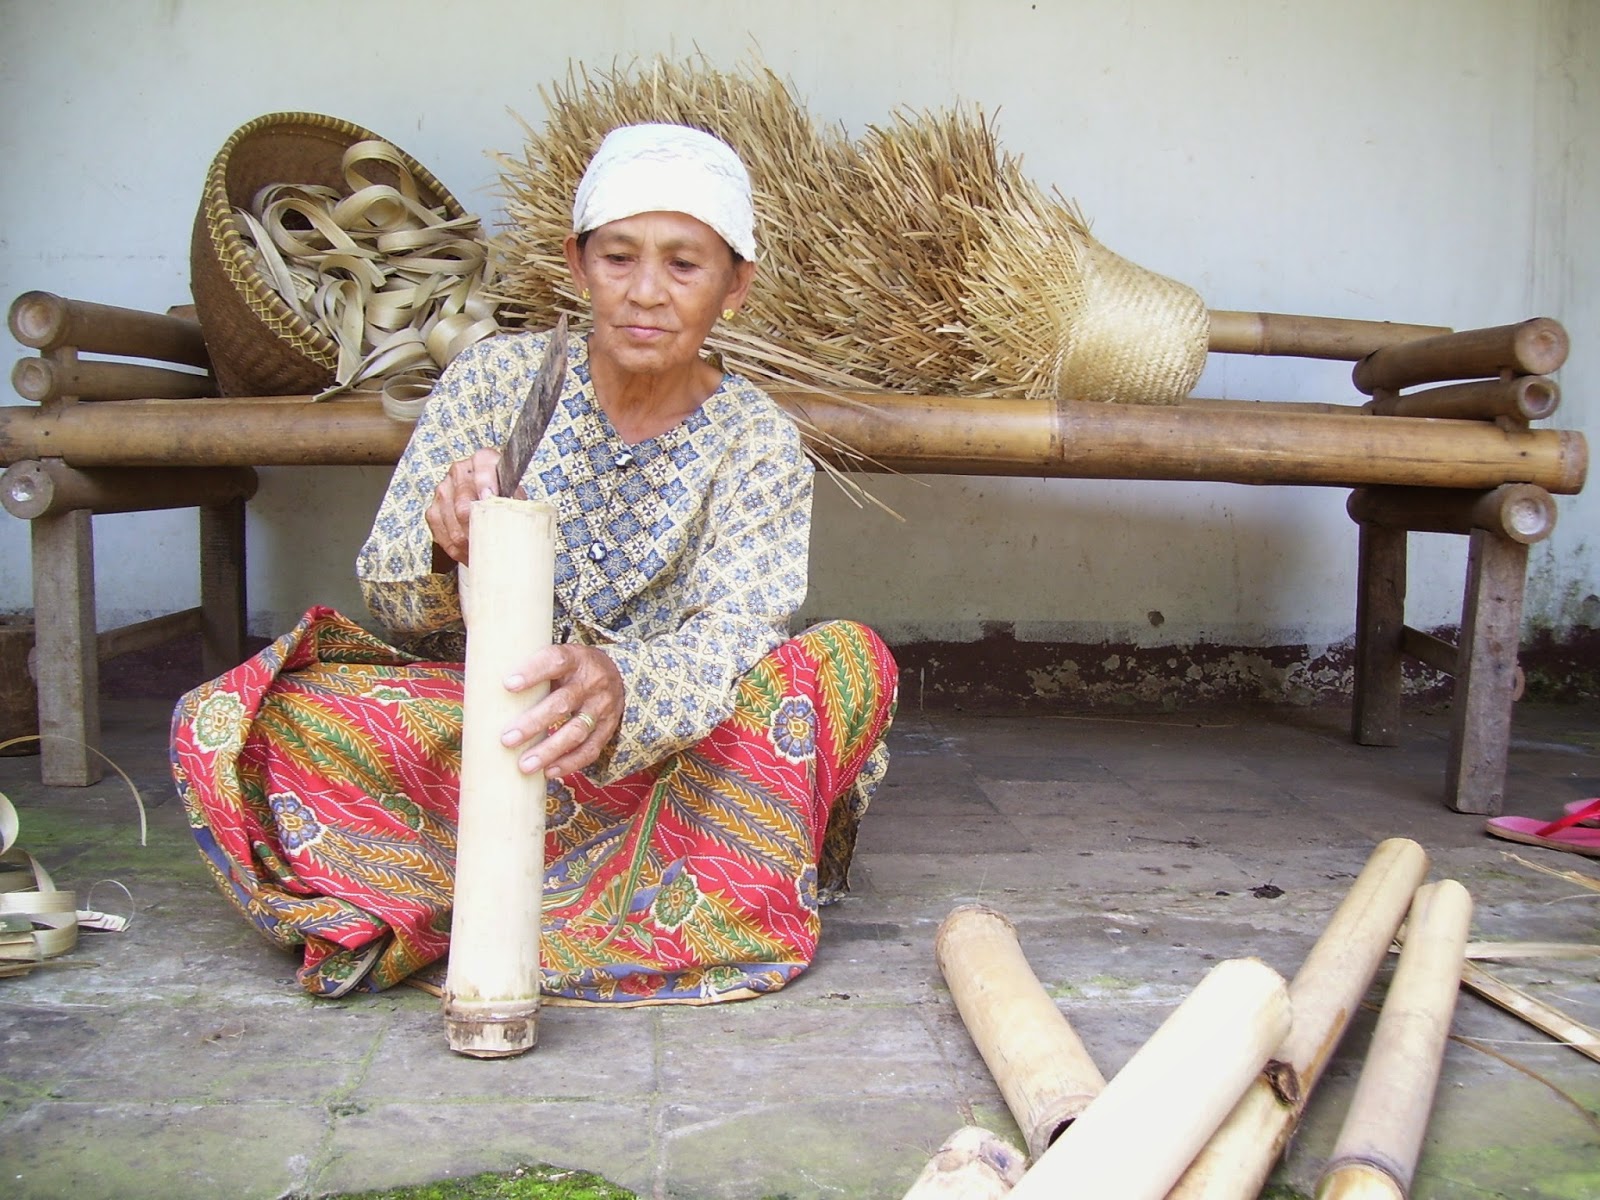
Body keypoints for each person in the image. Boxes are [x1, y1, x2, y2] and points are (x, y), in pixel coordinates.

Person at [171, 123, 899, 1004]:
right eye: (619, 257)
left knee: (845, 663)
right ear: (578, 262)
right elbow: (391, 601)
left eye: (684, 265)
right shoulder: (493, 381)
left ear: (734, 285)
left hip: (668, 765)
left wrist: (624, 683)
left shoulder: (757, 441)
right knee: (259, 717)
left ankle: (473, 905)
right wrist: (443, 547)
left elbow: (732, 638)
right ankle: (640, 904)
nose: (645, 293)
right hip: (496, 744)